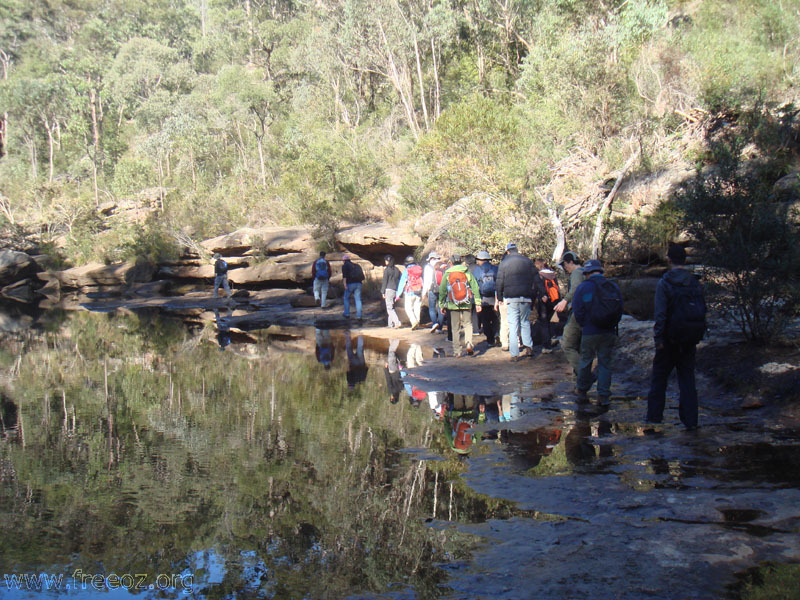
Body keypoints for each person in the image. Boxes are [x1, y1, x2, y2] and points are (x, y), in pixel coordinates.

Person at [646, 245, 706, 430]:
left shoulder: (665, 282)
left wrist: (658, 339)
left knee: (659, 379)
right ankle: (691, 421)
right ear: (685, 260)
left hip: (669, 339)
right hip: (690, 338)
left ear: (669, 259)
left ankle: (654, 419)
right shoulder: (695, 282)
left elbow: (661, 314)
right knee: (687, 379)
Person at [572, 259, 624, 405]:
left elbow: (578, 310)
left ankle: (581, 390)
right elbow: (619, 307)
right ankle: (603, 395)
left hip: (590, 330)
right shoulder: (612, 286)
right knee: (605, 363)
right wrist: (613, 324)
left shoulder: (584, 287)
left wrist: (583, 325)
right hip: (609, 330)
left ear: (587, 273)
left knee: (586, 360)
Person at [495, 242, 543, 362]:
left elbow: (499, 281)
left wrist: (500, 297)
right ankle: (529, 347)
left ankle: (515, 354)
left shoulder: (504, 263)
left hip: (511, 298)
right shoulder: (527, 261)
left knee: (513, 325)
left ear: (508, 251)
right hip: (526, 297)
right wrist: (542, 293)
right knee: (525, 322)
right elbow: (536, 278)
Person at [438, 253, 481, 357]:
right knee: (468, 324)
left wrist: (442, 304)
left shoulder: (447, 274)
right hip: (466, 302)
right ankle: (469, 343)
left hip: (452, 304)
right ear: (462, 262)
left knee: (455, 327)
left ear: (451, 263)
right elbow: (475, 287)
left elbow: (442, 290)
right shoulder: (466, 272)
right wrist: (478, 302)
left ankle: (457, 351)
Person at [554, 251, 584, 374]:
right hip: (586, 313)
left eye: (565, 265)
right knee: (580, 345)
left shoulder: (576, 273)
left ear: (571, 262)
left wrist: (565, 301)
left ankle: (583, 374)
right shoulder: (586, 271)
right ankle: (581, 375)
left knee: (567, 344)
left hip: (577, 312)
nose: (565, 268)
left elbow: (575, 289)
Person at [472, 250, 499, 346]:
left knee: (485, 320)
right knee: (496, 318)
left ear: (480, 260)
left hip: (483, 298)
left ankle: (490, 340)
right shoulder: (496, 268)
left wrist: (476, 300)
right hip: (495, 298)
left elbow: (474, 286)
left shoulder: (477, 270)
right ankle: (496, 333)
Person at [536, 267, 560, 352]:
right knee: (550, 321)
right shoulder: (553, 275)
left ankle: (547, 346)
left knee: (544, 323)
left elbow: (538, 288)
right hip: (554, 301)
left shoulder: (539, 275)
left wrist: (542, 296)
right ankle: (552, 338)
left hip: (544, 302)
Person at [396, 255, 424, 329]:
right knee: (417, 307)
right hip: (418, 291)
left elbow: (402, 283)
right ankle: (417, 321)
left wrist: (398, 294)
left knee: (408, 308)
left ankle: (413, 321)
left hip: (410, 292)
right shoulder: (419, 269)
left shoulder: (407, 271)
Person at [422, 252, 445, 332]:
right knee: (441, 308)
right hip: (442, 290)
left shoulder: (428, 267)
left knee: (431, 308)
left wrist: (424, 292)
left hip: (432, 290)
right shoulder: (442, 266)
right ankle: (440, 328)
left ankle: (435, 323)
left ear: (430, 259)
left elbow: (426, 281)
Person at [380, 255, 402, 328]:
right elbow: (401, 279)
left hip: (389, 290)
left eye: (386, 260)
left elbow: (384, 282)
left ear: (388, 261)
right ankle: (390, 324)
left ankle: (397, 322)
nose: (385, 262)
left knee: (389, 308)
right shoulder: (397, 269)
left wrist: (382, 292)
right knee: (392, 307)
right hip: (395, 290)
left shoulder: (387, 270)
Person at [341, 254, 364, 320]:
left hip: (350, 284)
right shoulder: (356, 265)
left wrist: (344, 284)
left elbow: (344, 276)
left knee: (346, 298)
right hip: (358, 283)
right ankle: (359, 315)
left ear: (344, 260)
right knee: (358, 299)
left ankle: (347, 313)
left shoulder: (345, 266)